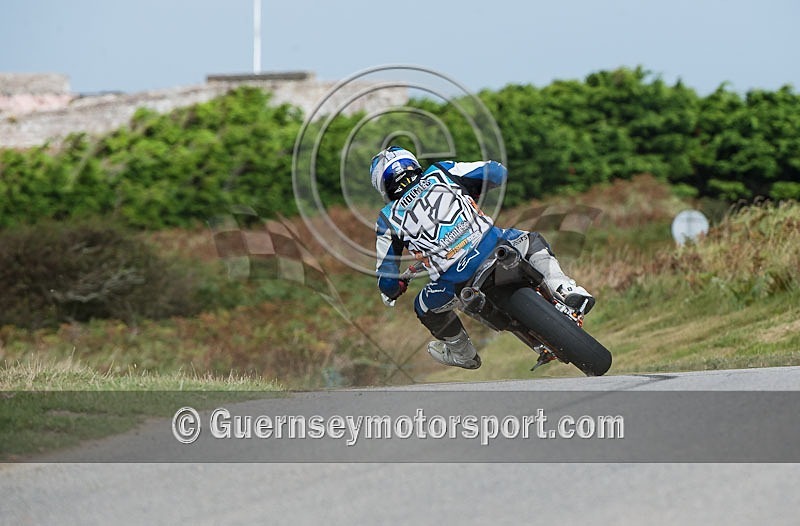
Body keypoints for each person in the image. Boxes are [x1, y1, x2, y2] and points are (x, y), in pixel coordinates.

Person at [371, 146, 594, 370]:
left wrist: (396, 286)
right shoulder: (442, 171)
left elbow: (387, 281)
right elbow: (497, 172)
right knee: (532, 240)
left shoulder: (386, 219)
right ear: (413, 164)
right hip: (495, 246)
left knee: (423, 307)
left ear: (382, 186)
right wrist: (473, 189)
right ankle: (564, 288)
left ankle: (463, 354)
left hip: (456, 281)